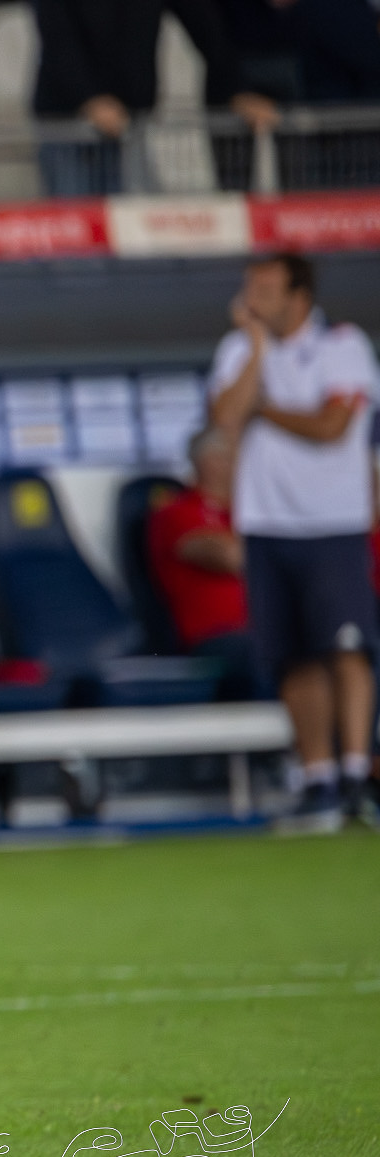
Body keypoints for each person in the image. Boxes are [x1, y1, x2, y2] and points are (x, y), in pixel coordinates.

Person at [208, 252, 380, 830]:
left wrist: (268, 410)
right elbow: (226, 417)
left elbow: (332, 428)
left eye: (265, 288)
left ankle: (359, 771)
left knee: (348, 647)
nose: (252, 296)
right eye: (249, 286)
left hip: (333, 523)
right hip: (266, 524)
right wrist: (258, 350)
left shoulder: (343, 345)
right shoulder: (238, 351)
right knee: (293, 656)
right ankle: (319, 781)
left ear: (298, 298)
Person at [31, 0, 279, 197]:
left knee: (129, 235)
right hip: (68, 125)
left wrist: (238, 89)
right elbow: (56, 34)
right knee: (80, 237)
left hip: (131, 121)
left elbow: (205, 24)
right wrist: (90, 98)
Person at [148, 427, 262, 698]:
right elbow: (230, 558)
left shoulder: (247, 512)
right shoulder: (176, 512)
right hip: (216, 640)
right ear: (211, 462)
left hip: (264, 629)